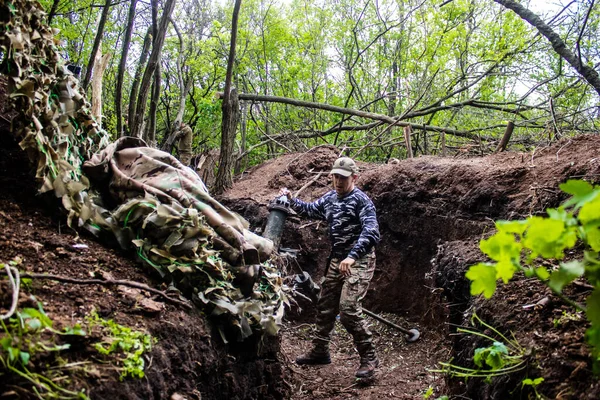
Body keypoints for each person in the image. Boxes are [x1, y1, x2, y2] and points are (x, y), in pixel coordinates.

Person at [280, 156, 380, 378]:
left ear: (354, 177)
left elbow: (372, 231)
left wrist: (352, 257)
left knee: (348, 309)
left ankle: (369, 358)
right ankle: (320, 351)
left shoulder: (361, 201)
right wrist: (290, 198)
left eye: (343, 177)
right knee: (325, 306)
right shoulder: (330, 199)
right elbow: (308, 210)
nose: (338, 181)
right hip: (337, 260)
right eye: (335, 176)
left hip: (359, 260)